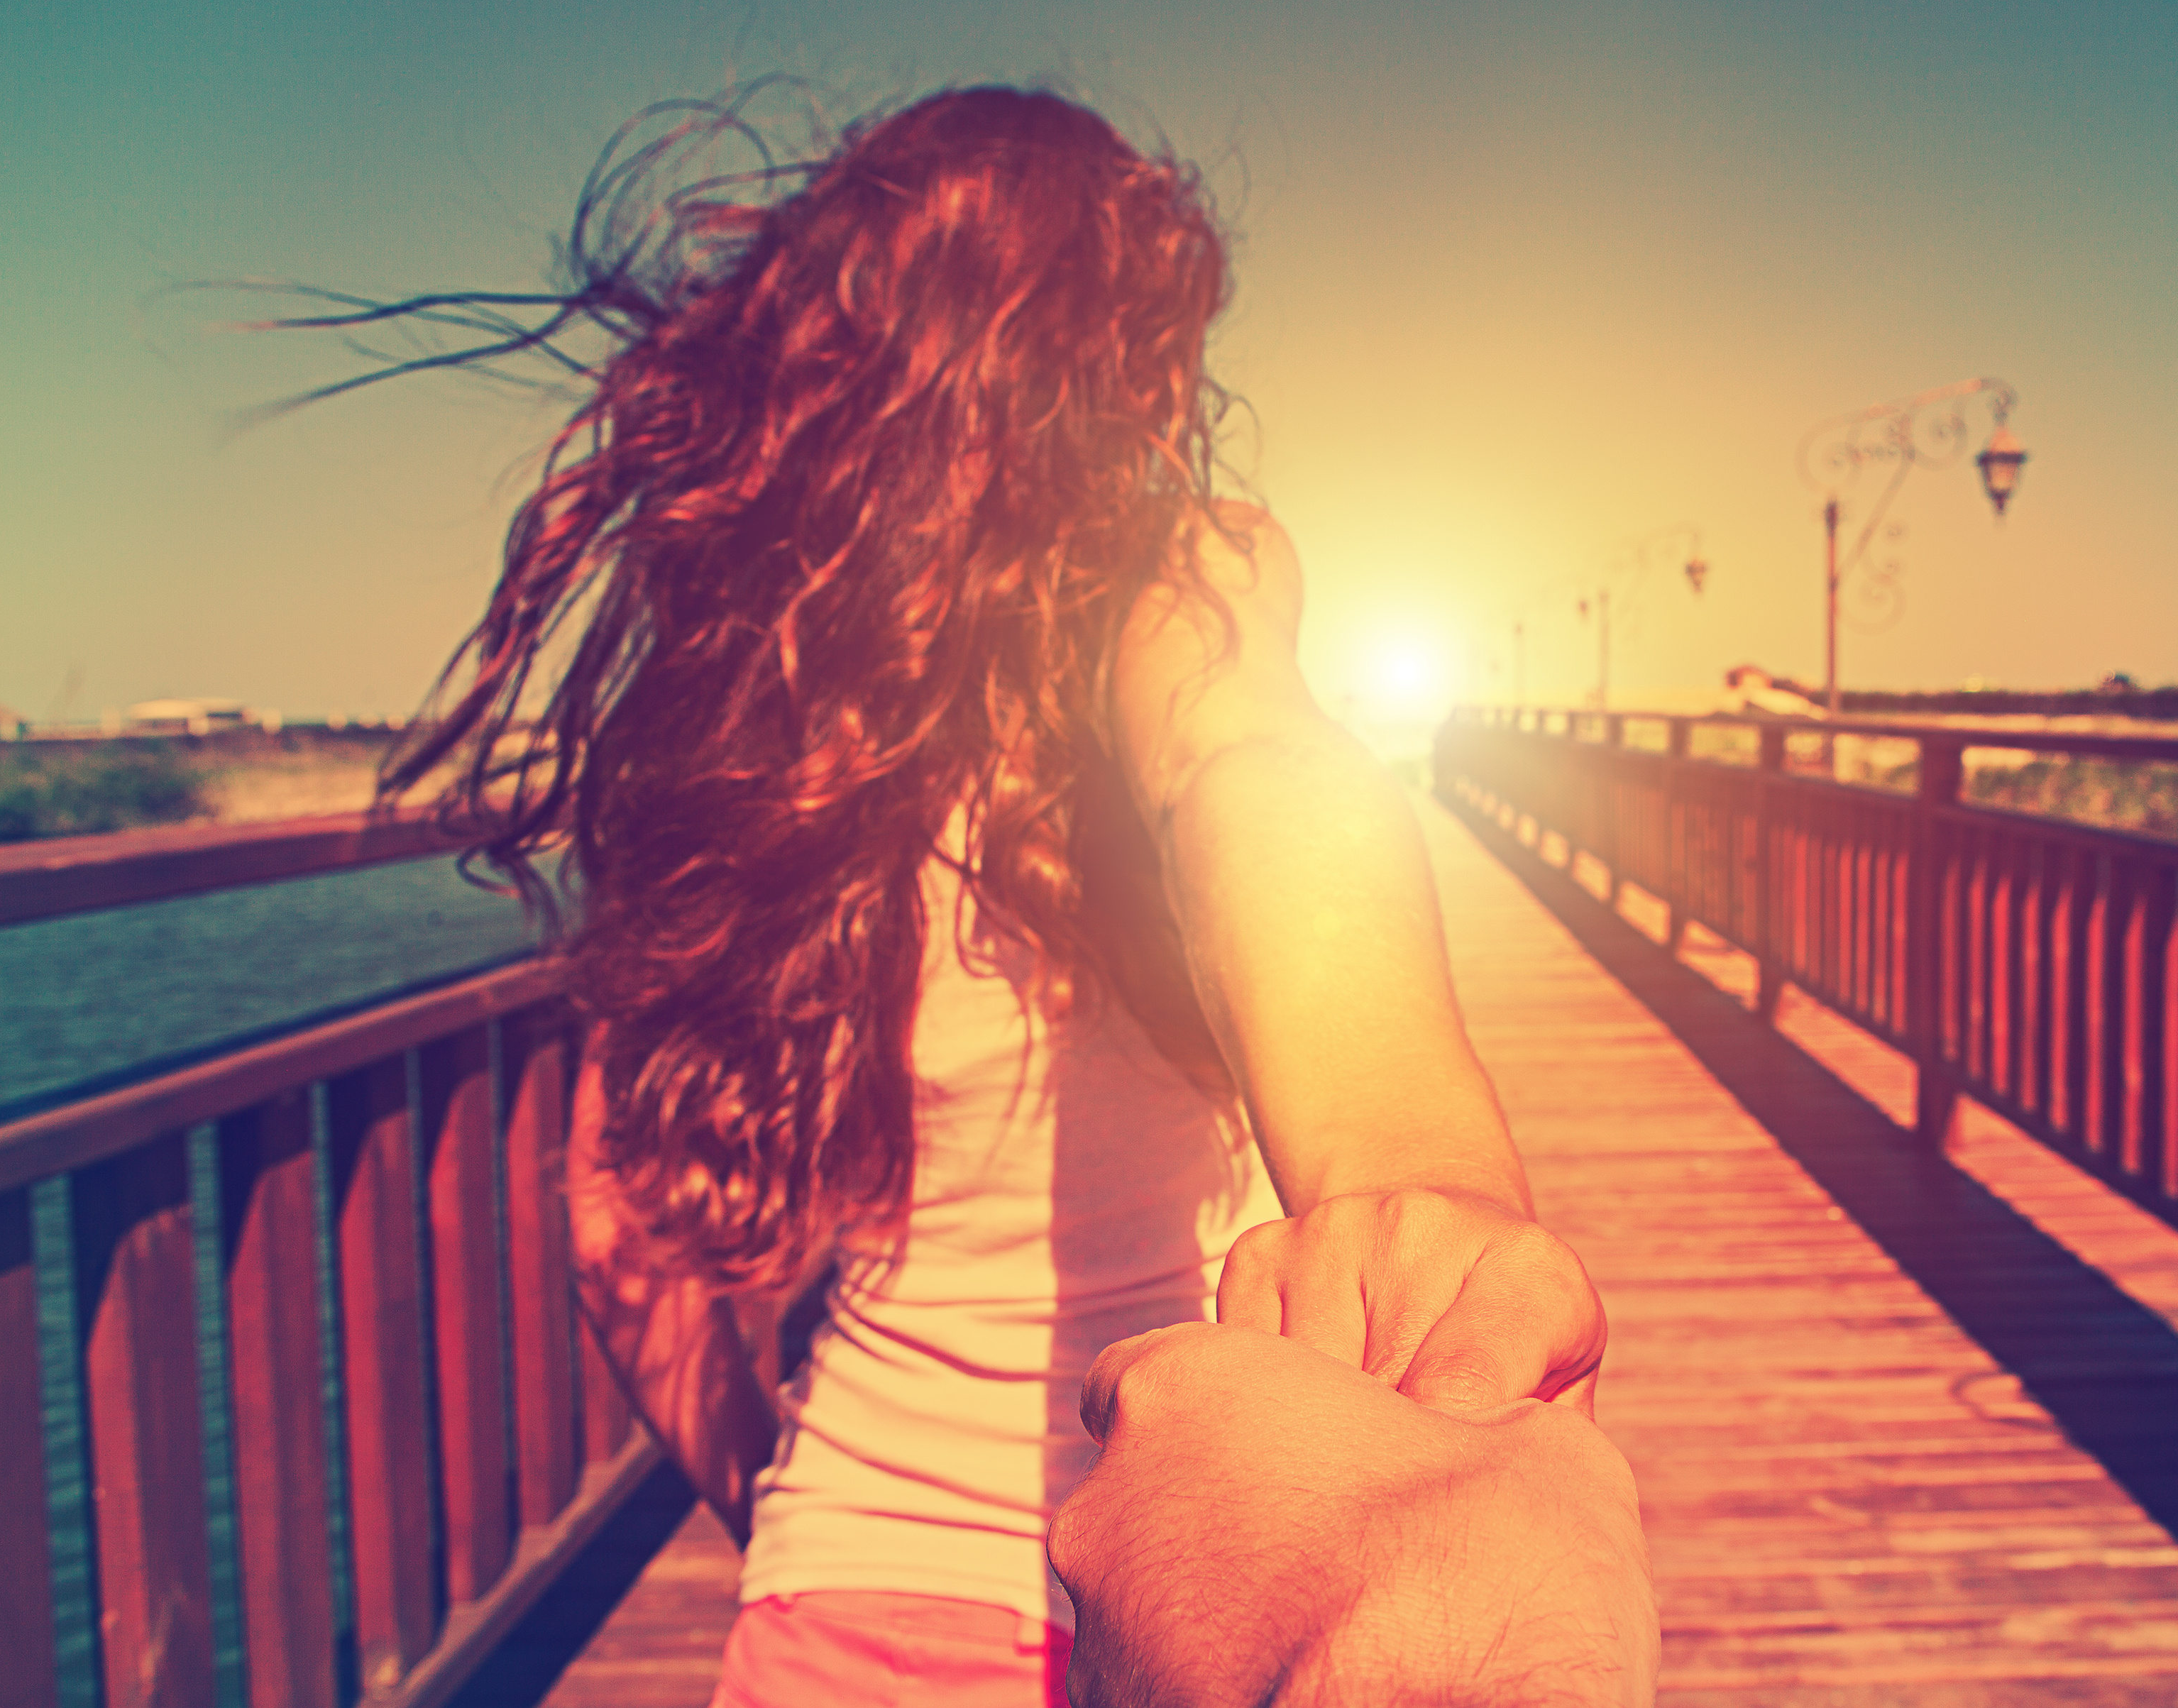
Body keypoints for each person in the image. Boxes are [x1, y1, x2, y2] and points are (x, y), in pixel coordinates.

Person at [356, 86, 1643, 1704]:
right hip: (1180, 1574)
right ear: (1109, 364)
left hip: (838, 1602)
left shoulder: (747, 730)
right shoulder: (1177, 587)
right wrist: (1413, 1176)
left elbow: (617, 1226)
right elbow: (1254, 758)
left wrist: (789, 1503)